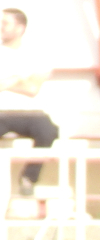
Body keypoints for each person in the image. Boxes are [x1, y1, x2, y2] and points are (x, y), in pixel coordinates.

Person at [0, 7, 55, 198]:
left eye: (5, 23)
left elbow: (33, 89)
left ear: (20, 28)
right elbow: (28, 84)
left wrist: (9, 81)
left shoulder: (37, 54)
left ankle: (28, 178)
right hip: (1, 112)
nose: (1, 27)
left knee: (48, 131)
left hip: (29, 113)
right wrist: (18, 79)